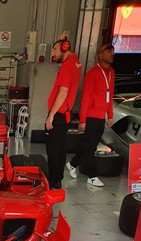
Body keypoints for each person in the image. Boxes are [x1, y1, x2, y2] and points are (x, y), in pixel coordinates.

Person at [66, 43, 115, 188]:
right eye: (108, 51)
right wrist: (82, 120)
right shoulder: (92, 73)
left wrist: (110, 114)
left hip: (101, 117)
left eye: (112, 51)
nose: (112, 54)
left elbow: (110, 94)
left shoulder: (111, 72)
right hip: (91, 116)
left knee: (89, 145)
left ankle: (73, 163)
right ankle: (92, 176)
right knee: (90, 147)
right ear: (101, 55)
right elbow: (86, 98)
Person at [45, 38, 82, 189]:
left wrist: (51, 115)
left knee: (53, 150)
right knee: (60, 149)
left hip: (58, 115)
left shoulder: (67, 66)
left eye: (55, 50)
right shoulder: (76, 63)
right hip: (65, 114)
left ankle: (52, 181)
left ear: (64, 48)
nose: (53, 53)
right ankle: (57, 179)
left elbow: (63, 92)